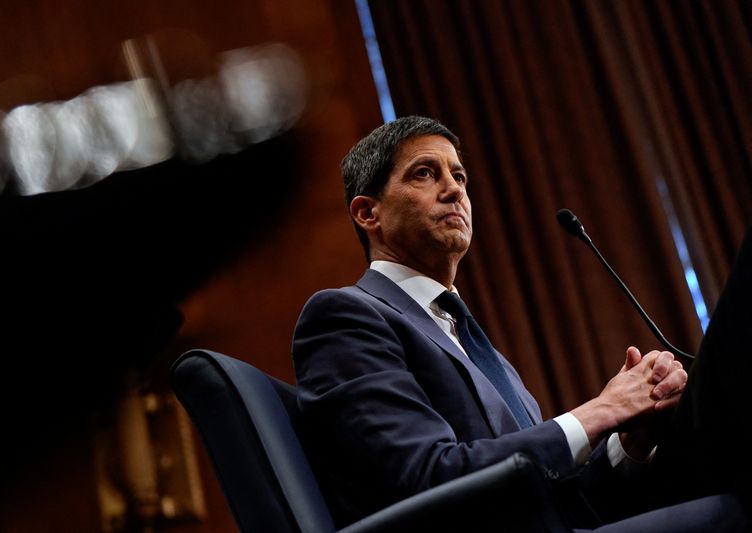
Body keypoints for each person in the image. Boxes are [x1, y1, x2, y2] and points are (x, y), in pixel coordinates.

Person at [292, 116, 750, 531]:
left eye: (459, 176)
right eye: (425, 173)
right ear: (367, 213)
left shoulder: (468, 340)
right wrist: (600, 412)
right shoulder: (345, 317)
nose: (454, 190)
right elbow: (423, 480)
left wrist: (627, 441)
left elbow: (556, 502)